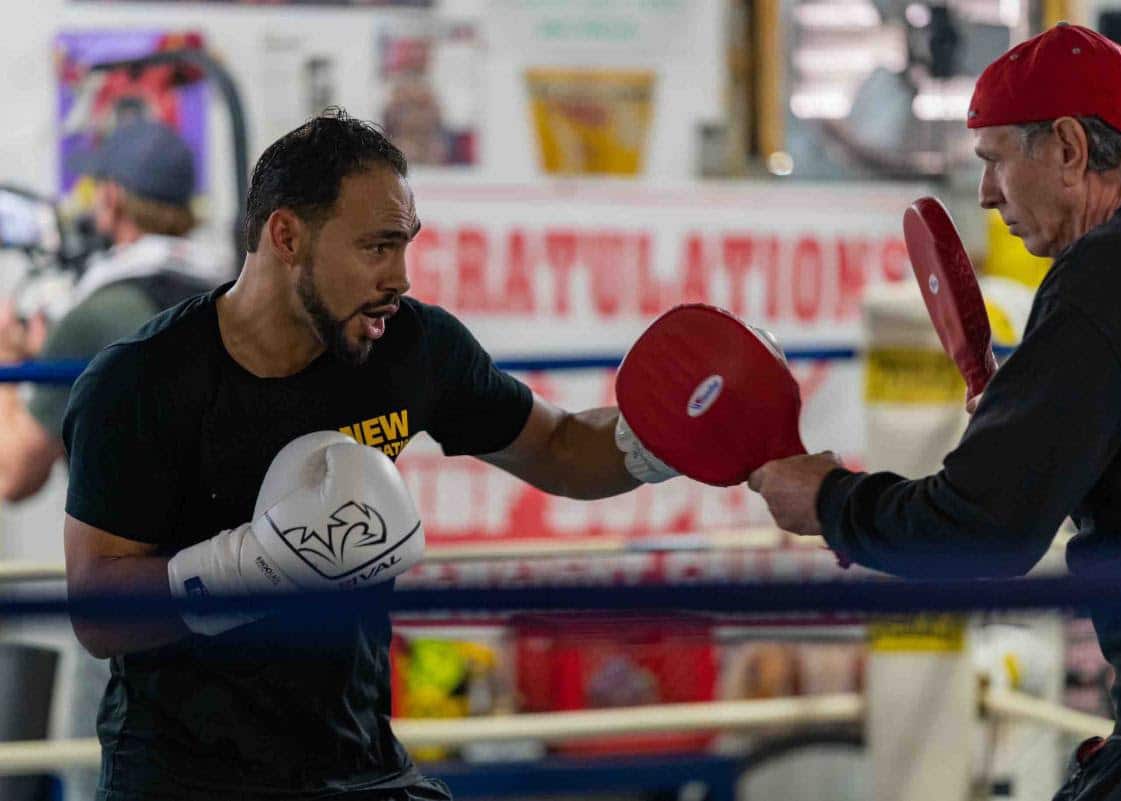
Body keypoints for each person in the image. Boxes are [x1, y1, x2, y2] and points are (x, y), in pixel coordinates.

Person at [61, 109, 671, 801]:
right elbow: (95, 609)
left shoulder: (412, 349)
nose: (401, 276)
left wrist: (668, 437)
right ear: (286, 235)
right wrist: (253, 565)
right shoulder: (143, 383)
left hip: (358, 765)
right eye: (377, 247)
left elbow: (559, 447)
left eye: (405, 245)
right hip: (184, 778)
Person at [748, 24, 1121, 800]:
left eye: (994, 162)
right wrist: (1035, 411)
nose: (987, 194)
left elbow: (982, 531)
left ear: (1066, 149)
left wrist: (827, 499)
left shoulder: (1109, 272)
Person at [0, 117, 225, 502]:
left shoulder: (96, 316)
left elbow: (12, 476)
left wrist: (7, 356)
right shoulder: (218, 287)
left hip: (133, 556)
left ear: (112, 198)